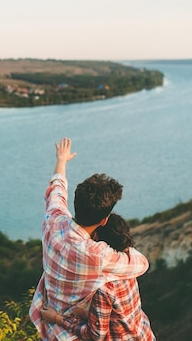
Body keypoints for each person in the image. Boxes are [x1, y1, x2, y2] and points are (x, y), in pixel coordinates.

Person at [28, 137, 150, 341]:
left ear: (76, 202)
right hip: (74, 333)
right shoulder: (98, 254)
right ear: (104, 220)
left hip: (50, 326)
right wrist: (123, 241)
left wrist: (61, 160)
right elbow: (141, 264)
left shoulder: (53, 221)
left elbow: (56, 190)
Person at [40, 214, 156, 340]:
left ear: (97, 239)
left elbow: (96, 335)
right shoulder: (128, 262)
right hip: (143, 334)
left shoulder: (104, 287)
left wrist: (58, 319)